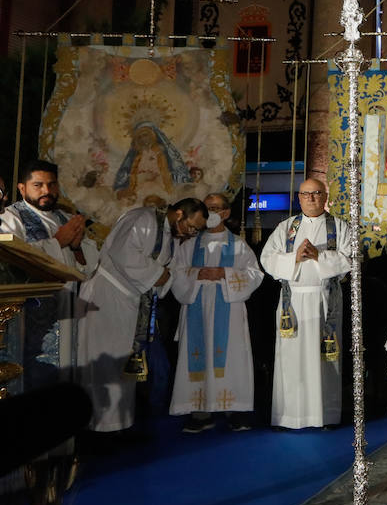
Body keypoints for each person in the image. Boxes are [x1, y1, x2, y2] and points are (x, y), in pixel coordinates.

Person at [78, 197, 207, 432]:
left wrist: (162, 276)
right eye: (191, 227)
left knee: (122, 362)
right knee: (104, 361)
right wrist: (158, 273)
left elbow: (168, 272)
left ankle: (119, 422)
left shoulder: (171, 236)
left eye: (196, 231)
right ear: (179, 214)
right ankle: (97, 425)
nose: (190, 233)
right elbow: (123, 253)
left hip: (132, 301)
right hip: (106, 296)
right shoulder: (142, 219)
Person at [260, 178, 353, 429]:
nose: (311, 198)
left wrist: (319, 256)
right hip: (294, 302)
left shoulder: (340, 226)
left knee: (324, 359)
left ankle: (325, 415)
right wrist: (295, 258)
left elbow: (351, 257)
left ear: (325, 197)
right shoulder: (286, 227)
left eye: (316, 193)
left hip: (325, 301)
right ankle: (289, 416)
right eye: (306, 194)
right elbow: (267, 259)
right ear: (298, 198)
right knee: (291, 359)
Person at [166, 193, 263, 432]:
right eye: (207, 208)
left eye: (215, 208)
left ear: (226, 213)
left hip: (229, 309)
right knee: (198, 355)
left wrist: (224, 274)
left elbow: (255, 275)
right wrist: (197, 274)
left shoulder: (239, 245)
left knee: (231, 358)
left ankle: (234, 410)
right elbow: (175, 273)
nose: (211, 213)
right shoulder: (188, 244)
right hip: (196, 306)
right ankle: (199, 412)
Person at [0, 160, 100, 385]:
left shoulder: (64, 219)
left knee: (62, 376)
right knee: (33, 377)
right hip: (29, 317)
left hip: (66, 312)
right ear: (22, 188)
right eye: (38, 185)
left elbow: (89, 266)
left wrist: (75, 247)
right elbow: (13, 258)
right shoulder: (12, 217)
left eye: (51, 185)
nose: (47, 191)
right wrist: (57, 242)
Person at [113, 122, 191, 201]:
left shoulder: (161, 151)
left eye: (145, 135)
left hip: (160, 183)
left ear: (151, 135)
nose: (143, 138)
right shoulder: (136, 155)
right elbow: (127, 173)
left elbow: (172, 167)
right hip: (140, 186)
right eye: (139, 137)